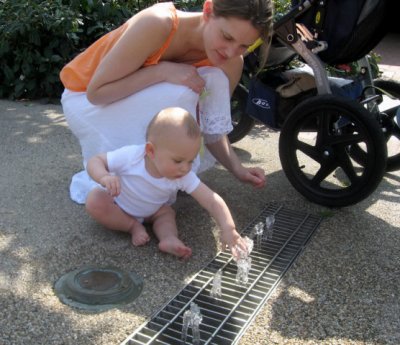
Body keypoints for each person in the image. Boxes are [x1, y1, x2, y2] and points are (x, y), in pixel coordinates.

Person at [60, 0, 274, 204]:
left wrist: (238, 169)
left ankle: (156, 176)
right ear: (208, 10)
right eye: (227, 37)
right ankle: (134, 180)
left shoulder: (231, 63)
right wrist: (162, 71)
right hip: (85, 100)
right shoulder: (158, 22)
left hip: (121, 100)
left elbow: (211, 125)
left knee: (209, 80)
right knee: (182, 91)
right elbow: (96, 93)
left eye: (243, 45)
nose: (230, 51)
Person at [86, 107, 248, 259]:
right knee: (95, 200)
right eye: (178, 161)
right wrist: (104, 176)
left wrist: (229, 228)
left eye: (191, 161)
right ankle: (131, 226)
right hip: (119, 205)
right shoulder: (132, 156)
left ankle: (169, 238)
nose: (185, 168)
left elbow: (212, 200)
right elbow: (96, 160)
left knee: (166, 214)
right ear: (151, 151)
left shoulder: (182, 176)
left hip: (153, 211)